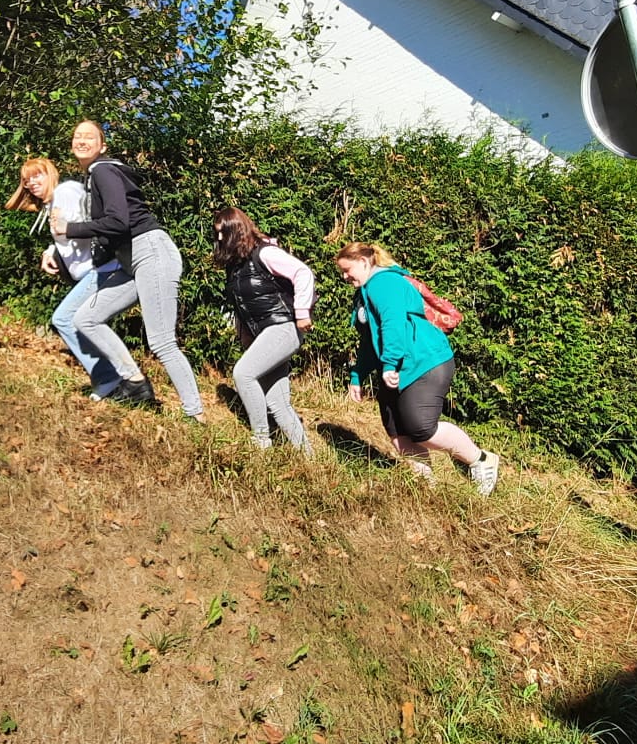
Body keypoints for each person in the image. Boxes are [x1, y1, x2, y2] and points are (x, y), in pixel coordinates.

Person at [55, 121, 203, 418]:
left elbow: (118, 222)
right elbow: (110, 231)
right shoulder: (95, 175)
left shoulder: (103, 170)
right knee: (85, 318)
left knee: (162, 341)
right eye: (77, 136)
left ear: (102, 146)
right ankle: (133, 380)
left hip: (151, 253)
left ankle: (195, 414)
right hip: (132, 260)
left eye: (89, 137)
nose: (81, 140)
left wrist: (69, 229)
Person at [335, 243, 500, 495]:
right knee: (397, 429)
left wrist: (390, 363)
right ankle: (425, 489)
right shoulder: (365, 292)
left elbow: (393, 324)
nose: (345, 277)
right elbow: (370, 339)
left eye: (347, 270)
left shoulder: (383, 283)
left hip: (424, 361)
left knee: (421, 428)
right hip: (399, 367)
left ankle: (481, 460)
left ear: (364, 262)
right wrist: (358, 374)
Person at [5, 158, 122, 400]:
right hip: (92, 272)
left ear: (50, 174)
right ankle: (120, 377)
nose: (31, 183)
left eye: (37, 176)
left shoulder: (66, 191)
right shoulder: (52, 203)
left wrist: (65, 225)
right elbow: (64, 235)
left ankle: (109, 377)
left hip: (101, 269)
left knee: (64, 318)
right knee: (83, 322)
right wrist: (50, 251)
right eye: (27, 180)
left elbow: (88, 221)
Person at [211, 207, 313, 451]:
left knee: (243, 374)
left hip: (283, 328)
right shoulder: (236, 266)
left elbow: (302, 272)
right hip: (266, 334)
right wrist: (247, 337)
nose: (220, 238)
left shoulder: (265, 253)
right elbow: (242, 305)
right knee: (278, 402)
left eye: (223, 232)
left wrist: (302, 312)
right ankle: (310, 458)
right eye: (217, 234)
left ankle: (261, 441)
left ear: (237, 230)